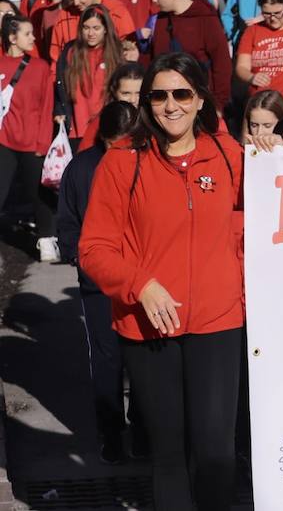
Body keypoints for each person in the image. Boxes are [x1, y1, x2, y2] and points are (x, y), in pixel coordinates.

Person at [80, 53, 245, 511]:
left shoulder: (230, 156)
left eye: (181, 94)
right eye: (159, 95)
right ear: (147, 101)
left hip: (217, 321)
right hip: (149, 325)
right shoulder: (122, 162)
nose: (170, 105)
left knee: (215, 453)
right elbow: (94, 248)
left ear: (200, 100)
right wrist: (139, 284)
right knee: (168, 456)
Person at [56, 100, 144, 463]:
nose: (121, 152)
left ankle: (143, 431)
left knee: (142, 361)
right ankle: (111, 434)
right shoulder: (81, 169)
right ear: (104, 140)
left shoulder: (147, 162)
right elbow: (68, 226)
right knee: (108, 361)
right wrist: (86, 259)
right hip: (99, 286)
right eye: (115, 145)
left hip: (141, 281)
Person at [0, 14, 57, 262]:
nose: (33, 37)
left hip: (33, 141)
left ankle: (46, 239)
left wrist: (43, 142)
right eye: (27, 34)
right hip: (4, 141)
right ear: (12, 38)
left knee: (39, 193)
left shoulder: (40, 67)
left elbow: (47, 108)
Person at [148, 0, 234, 110]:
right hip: (167, 101)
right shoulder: (161, 19)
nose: (154, 0)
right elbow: (155, 60)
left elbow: (222, 63)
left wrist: (219, 105)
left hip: (201, 101)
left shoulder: (205, 18)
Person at [54, 5, 123, 149]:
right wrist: (59, 110)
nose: (90, 33)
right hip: (76, 127)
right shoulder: (71, 51)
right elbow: (60, 85)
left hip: (104, 127)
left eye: (96, 28)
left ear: (105, 29)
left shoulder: (115, 53)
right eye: (86, 28)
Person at [46, 0, 137, 62]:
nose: (76, 3)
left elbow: (129, 51)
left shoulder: (117, 11)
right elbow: (56, 58)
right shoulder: (63, 17)